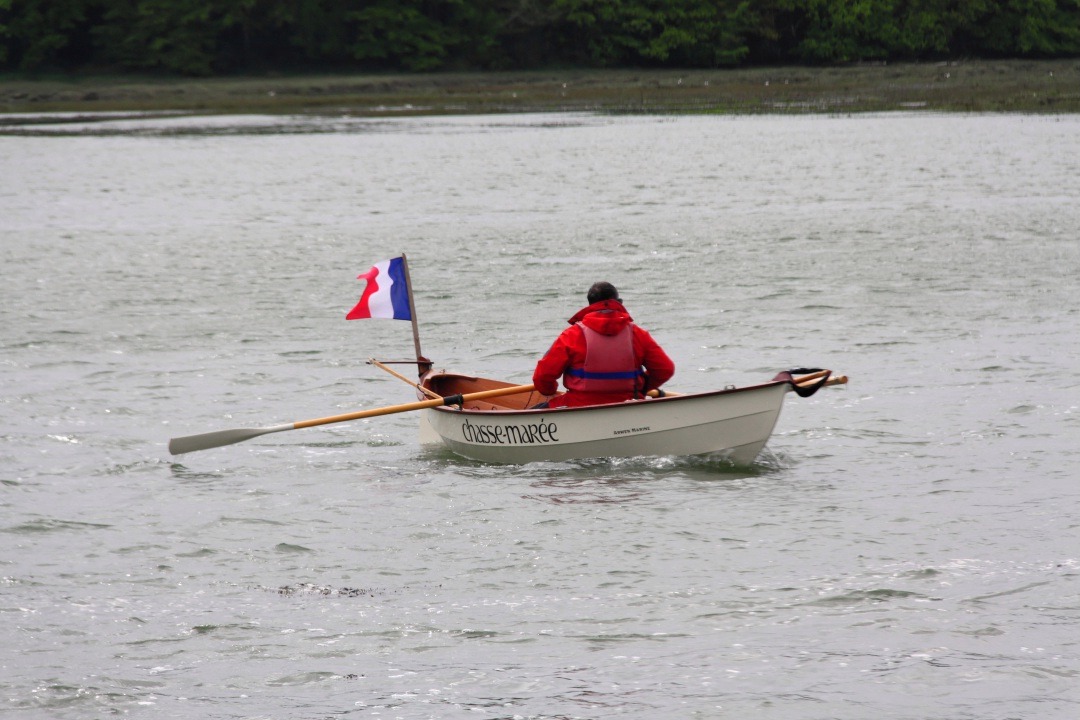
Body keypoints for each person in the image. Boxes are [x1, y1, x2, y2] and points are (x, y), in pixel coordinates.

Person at [532, 281, 675, 408]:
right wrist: (642, 389)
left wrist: (550, 391)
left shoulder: (571, 335)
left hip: (579, 405)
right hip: (629, 404)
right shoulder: (638, 334)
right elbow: (665, 369)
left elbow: (542, 377)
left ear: (590, 305)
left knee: (534, 411)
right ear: (619, 302)